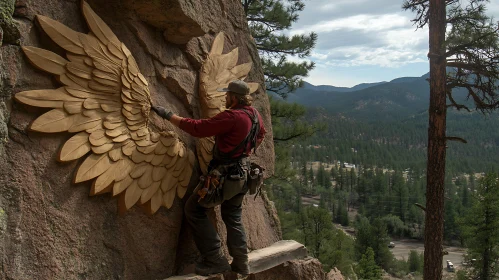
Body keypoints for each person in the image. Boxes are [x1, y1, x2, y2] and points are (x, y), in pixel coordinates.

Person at [152, 80, 266, 276]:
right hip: (244, 174)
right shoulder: (255, 115)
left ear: (234, 97)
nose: (225, 97)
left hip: (226, 175)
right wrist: (243, 148)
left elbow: (199, 129)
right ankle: (241, 263)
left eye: (227, 94)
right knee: (233, 217)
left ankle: (215, 259)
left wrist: (169, 115)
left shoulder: (232, 116)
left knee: (194, 209)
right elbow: (260, 135)